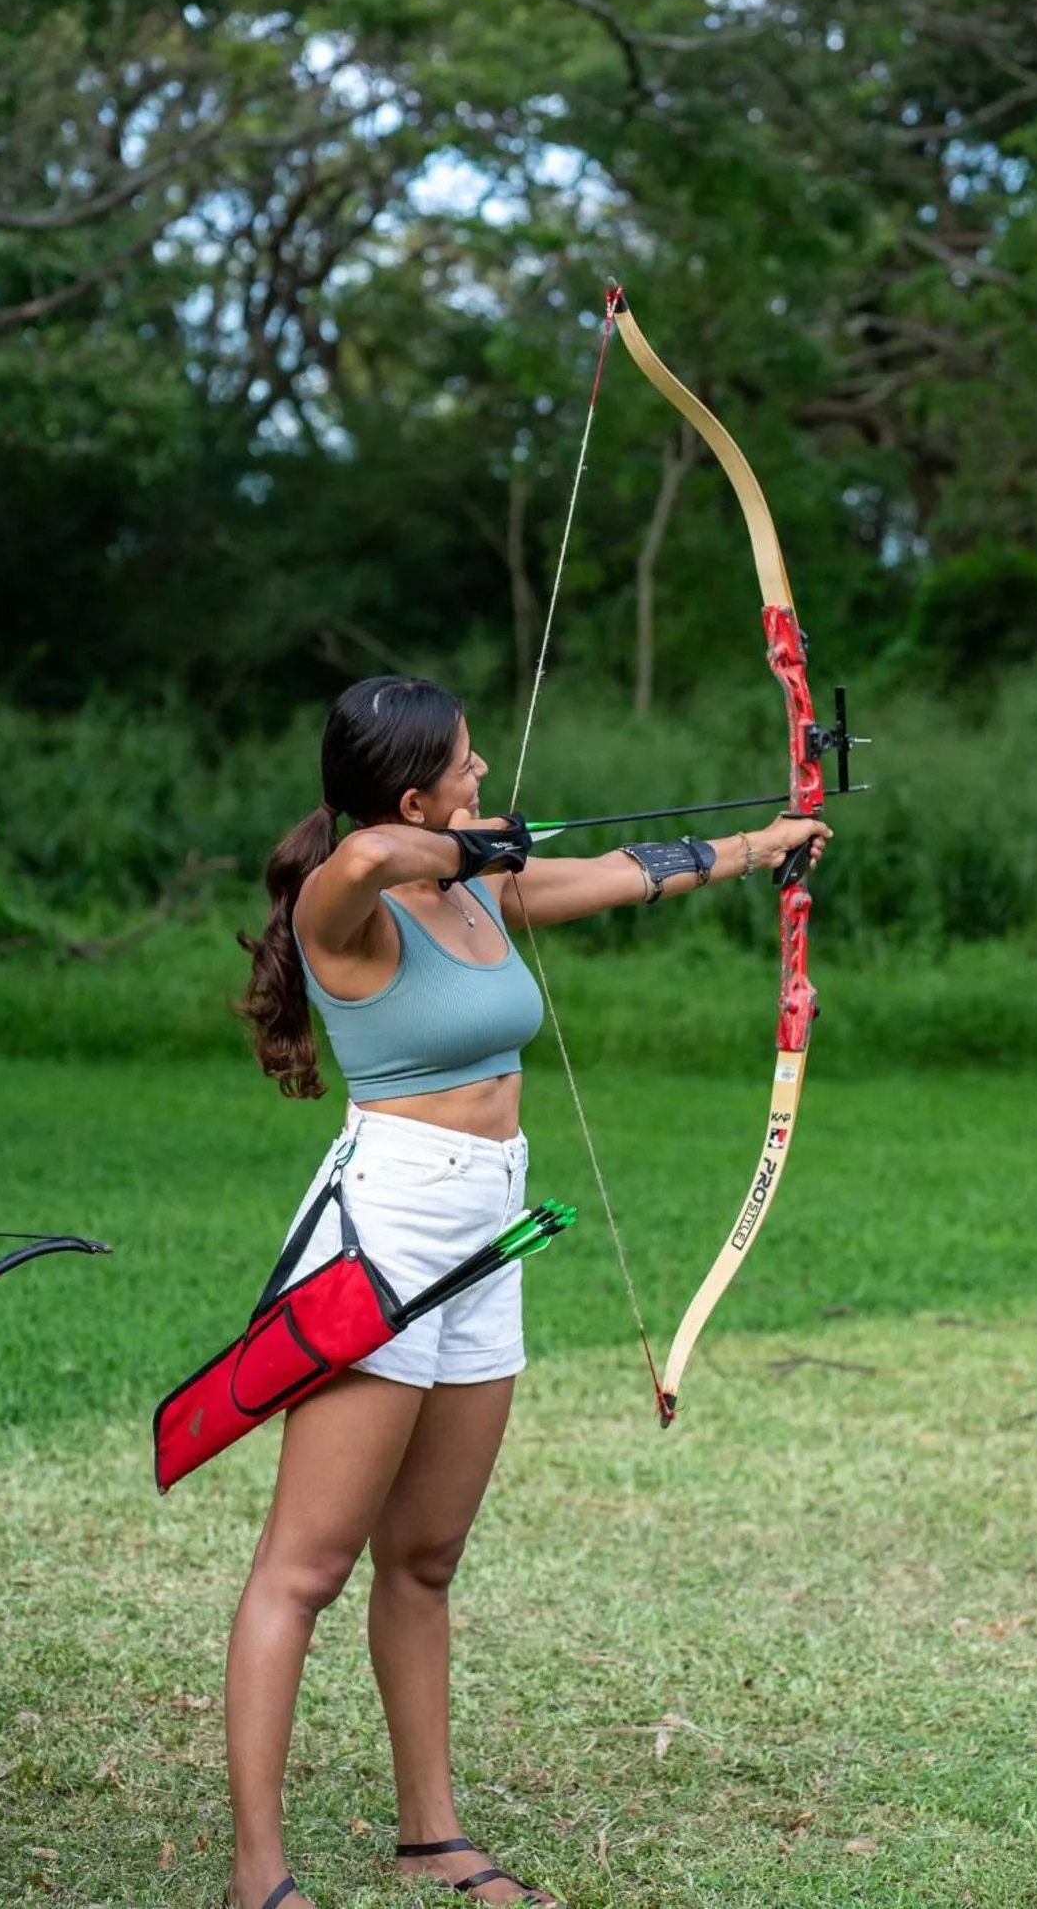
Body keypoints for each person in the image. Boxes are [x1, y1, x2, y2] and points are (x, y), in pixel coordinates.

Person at [225, 674, 831, 1909]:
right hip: (385, 1229)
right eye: (464, 760)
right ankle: (257, 1874)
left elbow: (622, 871)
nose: (485, 769)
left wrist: (761, 845)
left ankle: (432, 1834)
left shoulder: (480, 894)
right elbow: (368, 854)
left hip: (489, 1222)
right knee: (307, 1564)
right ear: (413, 796)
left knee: (426, 1555)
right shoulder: (349, 907)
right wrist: (465, 846)